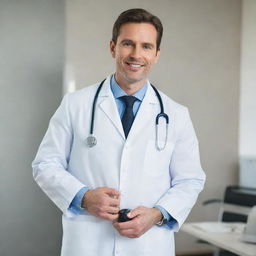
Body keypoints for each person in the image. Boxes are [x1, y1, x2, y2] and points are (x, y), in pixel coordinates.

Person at [32, 8, 206, 256]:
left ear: (157, 54)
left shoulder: (176, 114)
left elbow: (190, 180)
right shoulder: (75, 104)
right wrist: (83, 197)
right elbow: (45, 164)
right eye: (128, 44)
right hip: (88, 244)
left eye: (146, 46)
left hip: (148, 245)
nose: (136, 54)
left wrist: (157, 214)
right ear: (113, 47)